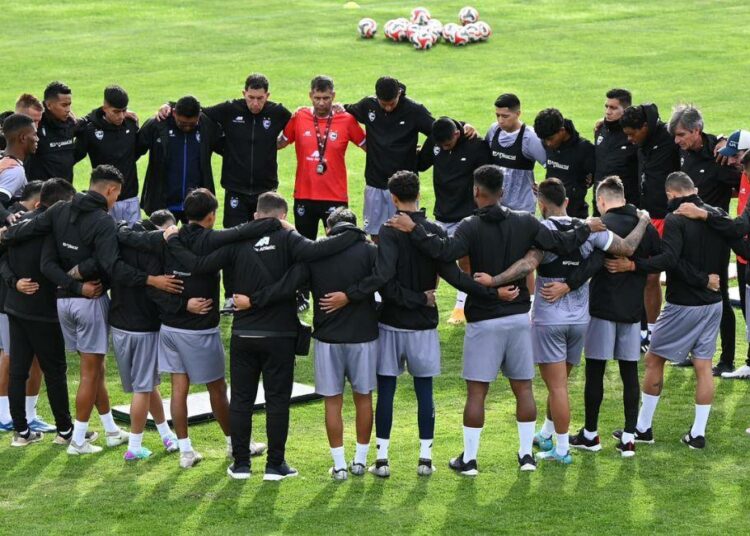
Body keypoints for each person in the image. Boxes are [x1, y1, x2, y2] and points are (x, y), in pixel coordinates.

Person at [386, 164, 604, 473]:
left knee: (477, 393)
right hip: (518, 319)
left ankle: (470, 460)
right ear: (502, 193)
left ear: (476, 192)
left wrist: (414, 229)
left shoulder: (468, 226)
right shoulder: (527, 221)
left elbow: (443, 252)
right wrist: (586, 228)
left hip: (484, 321)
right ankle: (526, 456)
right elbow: (561, 243)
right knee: (524, 389)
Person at [165, 191, 363, 481]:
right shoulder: (291, 239)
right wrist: (355, 233)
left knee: (242, 399)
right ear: (283, 216)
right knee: (277, 400)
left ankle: (241, 464)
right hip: (279, 334)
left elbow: (198, 265)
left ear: (256, 215)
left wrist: (172, 240)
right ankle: (275, 465)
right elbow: (311, 260)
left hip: (244, 334)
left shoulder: (237, 241)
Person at [324, 171, 502, 478]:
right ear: (419, 193)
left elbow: (383, 281)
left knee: (387, 392)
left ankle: (382, 459)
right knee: (425, 393)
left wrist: (350, 296)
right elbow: (456, 277)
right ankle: (425, 458)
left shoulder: (389, 230)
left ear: (392, 198)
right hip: (423, 327)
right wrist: (492, 291)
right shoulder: (432, 230)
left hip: (392, 323)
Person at [1, 165, 184, 455]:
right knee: (90, 373)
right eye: (117, 196)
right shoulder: (102, 221)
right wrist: (151, 278)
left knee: (94, 370)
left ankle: (110, 429)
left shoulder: (60, 210)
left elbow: (34, 233)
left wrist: (7, 234)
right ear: (111, 190)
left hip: (63, 304)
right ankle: (77, 440)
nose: (115, 201)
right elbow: (111, 264)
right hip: (90, 302)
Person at [119, 188, 281, 469]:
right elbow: (246, 230)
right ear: (211, 216)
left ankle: (185, 451)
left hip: (170, 328)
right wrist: (278, 222)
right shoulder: (212, 238)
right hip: (200, 332)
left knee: (178, 389)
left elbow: (128, 239)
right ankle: (234, 444)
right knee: (218, 389)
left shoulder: (167, 237)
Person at [508, 178, 650, 464]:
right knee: (560, 383)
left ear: (541, 204)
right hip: (580, 322)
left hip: (549, 319)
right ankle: (547, 433)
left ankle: (561, 449)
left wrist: (496, 282)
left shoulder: (540, 229)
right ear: (568, 202)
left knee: (557, 387)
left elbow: (528, 264)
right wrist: (644, 221)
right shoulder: (592, 227)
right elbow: (627, 248)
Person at [605, 172, 742, 449]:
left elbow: (670, 260)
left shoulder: (676, 219)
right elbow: (740, 243)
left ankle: (643, 428)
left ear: (670, 195)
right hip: (714, 303)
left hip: (684, 304)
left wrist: (634, 265)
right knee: (703, 366)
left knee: (654, 360)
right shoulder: (716, 215)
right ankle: (698, 434)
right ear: (694, 189)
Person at [157, 74, 291, 305]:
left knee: (270, 242)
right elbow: (196, 109)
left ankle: (268, 290)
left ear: (268, 96)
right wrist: (168, 106)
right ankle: (231, 295)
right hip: (235, 190)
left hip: (265, 191)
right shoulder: (230, 109)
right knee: (231, 243)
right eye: (251, 97)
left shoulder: (279, 113)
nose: (255, 103)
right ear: (244, 94)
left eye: (260, 98)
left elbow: (303, 121)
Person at [265, 207, 379, 480]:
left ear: (328, 229)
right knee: (364, 399)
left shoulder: (317, 254)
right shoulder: (370, 251)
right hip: (363, 336)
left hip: (328, 338)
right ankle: (361, 462)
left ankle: (339, 465)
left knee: (333, 402)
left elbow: (291, 285)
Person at [567, 177, 661, 456]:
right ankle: (630, 438)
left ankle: (591, 434)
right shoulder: (645, 226)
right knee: (629, 373)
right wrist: (635, 267)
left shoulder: (602, 226)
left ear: (601, 201)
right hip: (633, 311)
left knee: (595, 371)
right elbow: (661, 261)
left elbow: (588, 264)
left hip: (602, 308)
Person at [3, 179, 77, 446]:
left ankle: (21, 433)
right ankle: (65, 431)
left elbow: (2, 256)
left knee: (18, 371)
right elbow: (50, 266)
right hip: (43, 311)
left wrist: (13, 282)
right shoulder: (51, 229)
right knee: (55, 371)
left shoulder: (16, 224)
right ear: (59, 204)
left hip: (15, 306)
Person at [669, 105, 740, 374]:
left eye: (681, 135)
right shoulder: (684, 152)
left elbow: (741, 180)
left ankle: (727, 359)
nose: (677, 141)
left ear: (697, 131)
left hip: (714, 239)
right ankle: (695, 352)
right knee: (691, 291)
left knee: (719, 295)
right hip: (687, 234)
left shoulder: (720, 157)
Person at [108, 213, 181, 461]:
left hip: (118, 326)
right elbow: (158, 292)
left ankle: (165, 434)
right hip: (144, 328)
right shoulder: (155, 251)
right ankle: (135, 445)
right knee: (144, 387)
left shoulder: (121, 239)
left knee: (148, 384)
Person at [418, 117, 492, 324]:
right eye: (440, 145)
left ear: (457, 134)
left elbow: (487, 178)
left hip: (467, 214)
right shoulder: (436, 138)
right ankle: (427, 300)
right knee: (433, 258)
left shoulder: (476, 145)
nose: (443, 147)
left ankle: (461, 306)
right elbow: (421, 164)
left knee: (465, 259)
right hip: (442, 211)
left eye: (447, 144)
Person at [620, 103, 681, 351]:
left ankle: (656, 331)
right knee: (646, 277)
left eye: (632, 133)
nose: (629, 139)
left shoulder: (669, 136)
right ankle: (646, 330)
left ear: (644, 127)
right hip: (645, 217)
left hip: (667, 217)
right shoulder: (641, 140)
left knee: (658, 274)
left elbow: (694, 138)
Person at [342, 76, 434, 238]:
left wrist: (421, 161)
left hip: (404, 186)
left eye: (392, 103)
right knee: (375, 233)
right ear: (376, 97)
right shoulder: (368, 106)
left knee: (407, 233)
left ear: (399, 93)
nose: (388, 108)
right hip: (375, 182)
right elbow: (347, 111)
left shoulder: (414, 110)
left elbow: (436, 131)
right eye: (383, 104)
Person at [278, 76, 366, 241]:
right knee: (303, 245)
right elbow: (280, 143)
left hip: (335, 196)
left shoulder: (346, 119)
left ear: (333, 95)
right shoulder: (299, 117)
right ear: (310, 95)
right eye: (317, 98)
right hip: (304, 194)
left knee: (338, 246)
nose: (321, 103)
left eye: (326, 98)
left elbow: (368, 146)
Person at [139, 96, 222, 222]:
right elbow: (133, 150)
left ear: (199, 116)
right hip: (163, 202)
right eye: (182, 123)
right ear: (173, 113)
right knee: (162, 241)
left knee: (196, 241)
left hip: (196, 204)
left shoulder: (207, 126)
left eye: (192, 124)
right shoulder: (157, 124)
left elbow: (228, 148)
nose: (187, 127)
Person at [75, 85, 141, 224]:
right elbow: (73, 156)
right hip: (103, 201)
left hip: (130, 199)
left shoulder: (131, 124)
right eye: (116, 112)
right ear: (105, 108)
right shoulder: (90, 130)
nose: (121, 116)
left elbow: (137, 152)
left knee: (136, 243)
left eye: (124, 111)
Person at [717, 136, 750, 379]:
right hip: (744, 255)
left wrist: (712, 220)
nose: (732, 161)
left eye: (736, 156)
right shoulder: (742, 173)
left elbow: (741, 223)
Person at [486, 93, 546, 214]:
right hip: (495, 208)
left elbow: (551, 164)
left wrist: (545, 187)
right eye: (497, 115)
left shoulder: (530, 137)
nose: (500, 121)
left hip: (521, 211)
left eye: (505, 116)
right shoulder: (494, 130)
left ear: (518, 114)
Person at [533, 108, 596, 218]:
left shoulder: (584, 148)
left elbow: (598, 174)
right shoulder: (548, 142)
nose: (547, 144)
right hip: (549, 215)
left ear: (562, 131)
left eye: (550, 139)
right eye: (544, 140)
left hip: (575, 216)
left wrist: (591, 179)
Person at [25, 82, 80, 182]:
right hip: (39, 194)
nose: (68, 110)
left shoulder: (71, 123)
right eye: (64, 105)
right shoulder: (36, 124)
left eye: (69, 105)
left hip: (66, 193)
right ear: (49, 105)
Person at [594, 89, 639, 208]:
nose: (608, 112)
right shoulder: (600, 130)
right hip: (600, 204)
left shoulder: (634, 135)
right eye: (607, 107)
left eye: (613, 108)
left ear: (625, 110)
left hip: (625, 205)